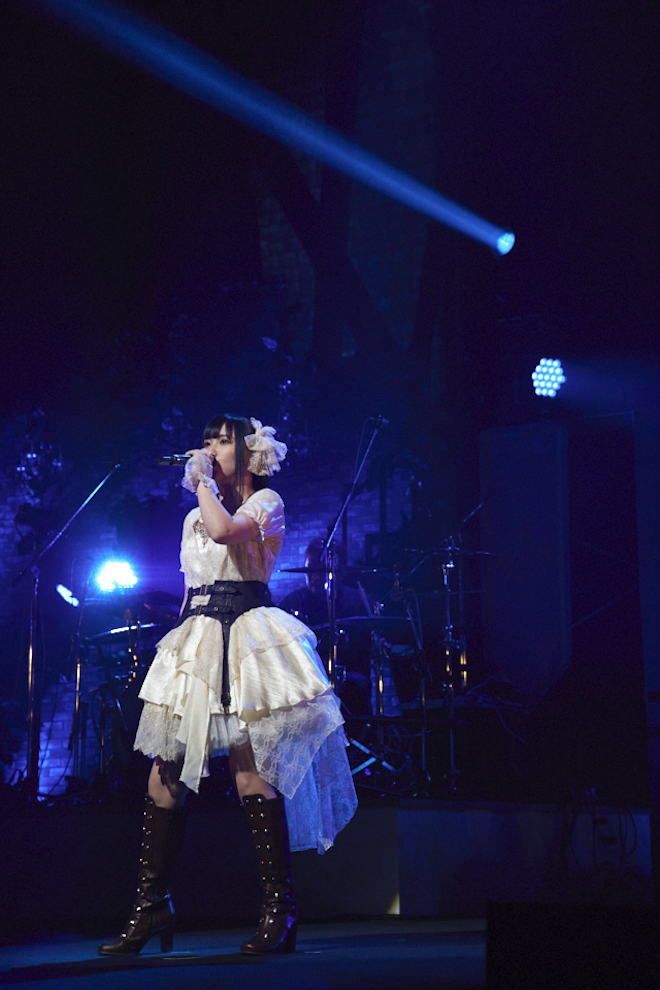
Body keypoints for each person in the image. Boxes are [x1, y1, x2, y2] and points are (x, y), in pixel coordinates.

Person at [98, 414, 357, 958]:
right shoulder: (195, 512)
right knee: (164, 776)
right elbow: (192, 580)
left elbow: (225, 532)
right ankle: (151, 905)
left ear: (248, 452)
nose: (211, 448)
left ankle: (280, 910)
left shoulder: (266, 503)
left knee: (250, 775)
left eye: (222, 440)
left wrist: (202, 483)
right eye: (207, 440)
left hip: (247, 639)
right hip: (198, 640)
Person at [279, 538, 373, 715]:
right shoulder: (292, 603)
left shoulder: (357, 601)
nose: (315, 576)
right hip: (305, 679)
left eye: (321, 571)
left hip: (350, 675)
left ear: (339, 572)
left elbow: (365, 649)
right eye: (310, 570)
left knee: (355, 690)